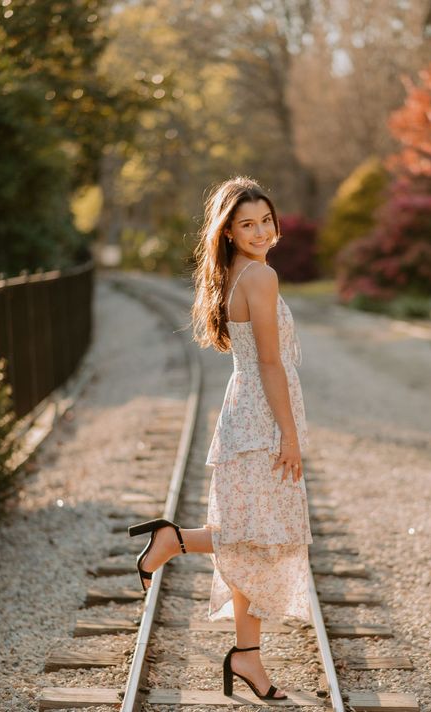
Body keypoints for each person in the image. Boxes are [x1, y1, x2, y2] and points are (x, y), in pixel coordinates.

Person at [128, 176, 313, 700]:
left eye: (265, 221)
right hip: (262, 418)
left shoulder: (232, 272)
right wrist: (290, 436)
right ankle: (174, 540)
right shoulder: (261, 276)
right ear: (229, 231)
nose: (260, 231)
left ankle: (249, 658)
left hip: (243, 411)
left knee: (256, 537)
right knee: (262, 536)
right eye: (247, 224)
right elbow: (272, 364)